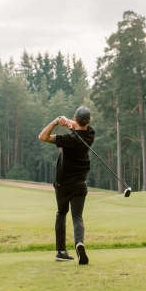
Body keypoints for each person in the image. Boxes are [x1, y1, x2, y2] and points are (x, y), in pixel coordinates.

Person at [37, 106, 95, 265]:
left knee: (61, 214)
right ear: (89, 121)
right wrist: (68, 123)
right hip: (80, 185)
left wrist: (56, 121)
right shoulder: (90, 134)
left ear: (76, 118)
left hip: (63, 185)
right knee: (77, 217)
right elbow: (78, 126)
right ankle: (79, 243)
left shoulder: (68, 139)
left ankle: (61, 251)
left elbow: (42, 136)